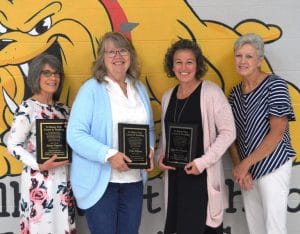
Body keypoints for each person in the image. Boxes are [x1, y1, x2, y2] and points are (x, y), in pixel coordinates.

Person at [67, 31, 155, 234]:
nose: (118, 56)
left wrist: (149, 150)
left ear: (130, 55)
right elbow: (75, 133)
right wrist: (109, 155)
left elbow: (148, 127)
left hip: (133, 182)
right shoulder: (91, 89)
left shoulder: (138, 88)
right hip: (102, 184)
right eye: (111, 52)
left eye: (122, 50)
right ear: (102, 58)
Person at [156, 39, 236, 234]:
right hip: (176, 178)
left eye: (189, 62)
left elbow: (228, 132)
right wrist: (161, 156)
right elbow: (166, 136)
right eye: (178, 62)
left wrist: (203, 162)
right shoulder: (168, 96)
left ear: (198, 64)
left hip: (201, 179)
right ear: (172, 66)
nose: (184, 67)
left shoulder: (211, 92)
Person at [228, 33, 296, 234]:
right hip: (247, 172)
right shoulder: (234, 93)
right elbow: (231, 137)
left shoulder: (275, 85)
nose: (242, 61)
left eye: (249, 56)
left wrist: (245, 164)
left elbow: (277, 133)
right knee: (255, 227)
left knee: (274, 228)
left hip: (273, 164)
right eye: (239, 56)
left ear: (260, 60)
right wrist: (242, 169)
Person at [7, 53, 76, 233]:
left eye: (56, 73)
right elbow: (12, 145)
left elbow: (75, 143)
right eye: (47, 73)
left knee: (63, 226)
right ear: (36, 76)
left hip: (63, 178)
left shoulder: (64, 110)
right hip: (38, 181)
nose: (53, 78)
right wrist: (37, 164)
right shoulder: (28, 108)